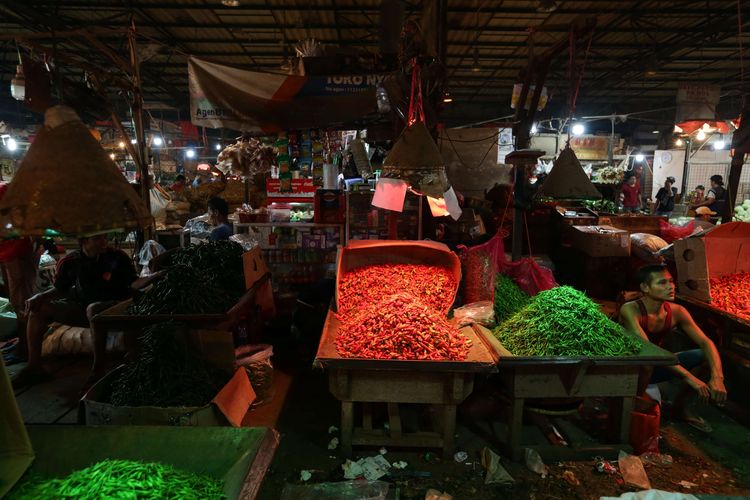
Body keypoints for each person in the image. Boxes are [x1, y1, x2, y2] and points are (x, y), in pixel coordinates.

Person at [12, 234, 139, 389]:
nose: (105, 242)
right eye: (98, 239)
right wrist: (40, 296)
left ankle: (98, 369)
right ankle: (34, 367)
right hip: (83, 309)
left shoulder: (117, 257)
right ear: (83, 241)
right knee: (39, 308)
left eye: (104, 237)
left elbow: (134, 284)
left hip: (115, 310)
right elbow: (60, 289)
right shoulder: (71, 261)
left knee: (93, 309)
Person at [620, 265, 727, 432]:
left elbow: (706, 343)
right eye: (662, 282)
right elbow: (649, 351)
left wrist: (717, 377)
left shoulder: (677, 311)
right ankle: (633, 406)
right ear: (645, 287)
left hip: (657, 365)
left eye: (671, 281)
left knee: (705, 356)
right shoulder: (630, 309)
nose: (670, 286)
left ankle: (679, 407)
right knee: (647, 363)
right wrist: (689, 377)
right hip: (630, 369)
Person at [0, 182, 39, 361]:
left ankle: (27, 349)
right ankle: (24, 346)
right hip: (9, 251)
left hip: (18, 250)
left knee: (22, 300)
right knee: (16, 301)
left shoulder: (8, 190)